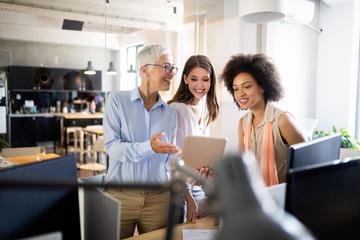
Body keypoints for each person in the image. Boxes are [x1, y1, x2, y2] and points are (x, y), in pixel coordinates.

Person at [103, 44, 181, 239]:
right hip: (120, 196)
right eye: (166, 67)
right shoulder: (116, 101)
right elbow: (112, 147)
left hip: (159, 198)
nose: (171, 73)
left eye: (173, 68)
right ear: (144, 70)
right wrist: (149, 147)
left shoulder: (171, 113)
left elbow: (171, 159)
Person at [222, 53, 306, 185]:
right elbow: (241, 167)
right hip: (254, 198)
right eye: (236, 89)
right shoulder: (243, 123)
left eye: (247, 87)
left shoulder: (283, 120)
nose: (240, 94)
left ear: (262, 86)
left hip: (284, 198)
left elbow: (310, 161)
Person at [168, 55, 219, 222]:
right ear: (185, 79)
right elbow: (173, 160)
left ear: (211, 81)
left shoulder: (204, 107)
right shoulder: (179, 109)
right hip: (180, 189)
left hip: (197, 185)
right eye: (194, 79)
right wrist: (189, 198)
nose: (200, 85)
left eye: (205, 80)